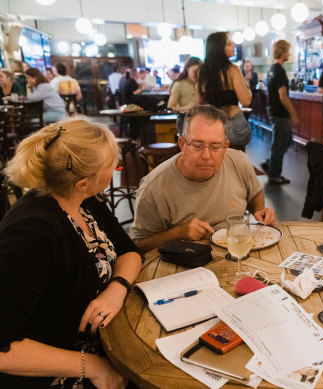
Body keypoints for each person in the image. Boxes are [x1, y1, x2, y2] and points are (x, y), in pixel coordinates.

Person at [0, 117, 142, 388]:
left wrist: (117, 288)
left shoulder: (85, 201)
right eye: (112, 165)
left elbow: (130, 252)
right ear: (82, 183)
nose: (116, 168)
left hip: (107, 344)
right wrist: (95, 368)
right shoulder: (32, 233)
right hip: (59, 371)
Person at [129, 105, 275, 253]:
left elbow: (254, 192)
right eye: (197, 145)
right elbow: (138, 244)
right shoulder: (154, 186)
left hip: (236, 252)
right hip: (184, 263)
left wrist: (259, 211)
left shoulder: (239, 161)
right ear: (182, 145)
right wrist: (177, 233)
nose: (206, 156)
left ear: (225, 147)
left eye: (215, 146)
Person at [196, 32, 252, 151]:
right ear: (219, 49)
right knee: (236, 164)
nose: (234, 45)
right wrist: (246, 84)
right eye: (229, 44)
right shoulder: (232, 69)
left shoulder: (202, 71)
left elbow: (199, 101)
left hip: (211, 127)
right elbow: (246, 100)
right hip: (234, 126)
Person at [264, 40, 300, 185]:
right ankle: (274, 175)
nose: (289, 53)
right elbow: (283, 96)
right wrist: (294, 113)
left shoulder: (272, 69)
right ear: (283, 52)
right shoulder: (280, 71)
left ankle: (272, 162)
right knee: (280, 143)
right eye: (288, 51)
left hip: (273, 110)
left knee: (287, 140)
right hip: (279, 112)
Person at [168, 56, 202, 136]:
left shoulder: (202, 84)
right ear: (187, 68)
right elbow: (170, 107)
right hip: (185, 120)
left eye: (199, 72)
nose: (197, 75)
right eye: (194, 71)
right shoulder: (179, 84)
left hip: (201, 119)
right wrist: (187, 107)